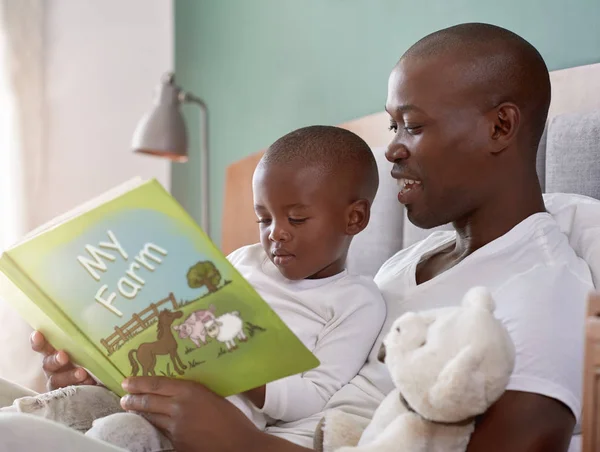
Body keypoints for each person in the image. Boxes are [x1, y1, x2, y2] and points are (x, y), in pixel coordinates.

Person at [0, 22, 595, 452]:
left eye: (411, 125)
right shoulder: (397, 270)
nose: (389, 148)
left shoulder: (541, 287)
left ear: (501, 126)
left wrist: (240, 444)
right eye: (391, 125)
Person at [0, 125, 387, 450]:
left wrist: (244, 369)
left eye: (297, 219)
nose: (276, 234)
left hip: (194, 423)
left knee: (116, 434)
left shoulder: (357, 302)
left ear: (354, 218)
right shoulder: (246, 261)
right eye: (263, 218)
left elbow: (316, 396)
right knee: (50, 408)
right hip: (149, 385)